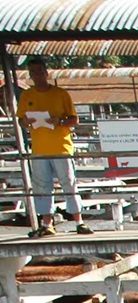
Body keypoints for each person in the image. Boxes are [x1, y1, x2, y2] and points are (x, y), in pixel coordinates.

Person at [18, 58, 88, 237]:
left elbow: (74, 120)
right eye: (33, 72)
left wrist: (60, 121)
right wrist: (26, 121)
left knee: (69, 183)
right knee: (42, 186)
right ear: (31, 75)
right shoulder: (27, 95)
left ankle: (79, 221)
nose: (37, 75)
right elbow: (21, 120)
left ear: (46, 73)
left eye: (40, 71)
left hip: (61, 146)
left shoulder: (61, 94)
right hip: (40, 148)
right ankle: (47, 223)